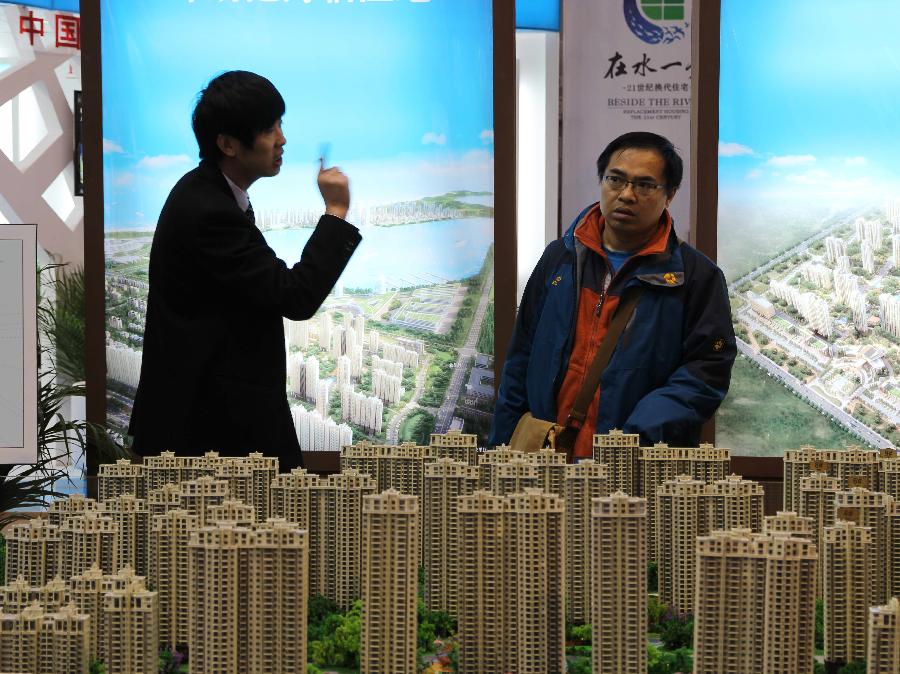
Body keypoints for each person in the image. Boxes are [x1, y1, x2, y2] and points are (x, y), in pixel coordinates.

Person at [129, 70, 361, 470]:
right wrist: (336, 212)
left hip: (214, 422)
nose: (282, 139)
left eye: (280, 124)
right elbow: (295, 295)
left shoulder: (209, 193)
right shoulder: (209, 211)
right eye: (270, 129)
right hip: (212, 436)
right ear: (228, 144)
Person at [490, 131, 735, 458]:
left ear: (670, 194)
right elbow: (521, 355)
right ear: (601, 181)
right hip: (546, 456)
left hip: (632, 464)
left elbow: (707, 371)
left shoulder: (695, 277)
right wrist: (502, 446)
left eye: (645, 185)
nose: (627, 194)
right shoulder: (561, 257)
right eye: (615, 179)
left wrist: (638, 434)